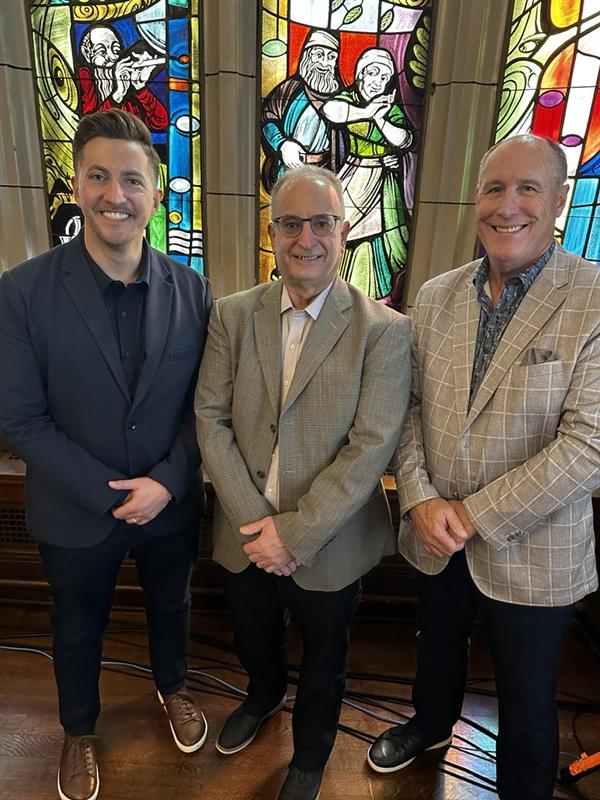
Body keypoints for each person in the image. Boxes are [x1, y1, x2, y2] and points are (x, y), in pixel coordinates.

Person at [367, 134, 600, 800]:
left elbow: (588, 446)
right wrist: (419, 499)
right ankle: (430, 724)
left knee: (526, 698)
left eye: (528, 188)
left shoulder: (592, 297)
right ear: (477, 199)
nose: (508, 206)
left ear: (559, 200)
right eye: (495, 188)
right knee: (435, 650)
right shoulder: (436, 295)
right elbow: (409, 409)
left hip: (534, 547)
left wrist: (471, 514)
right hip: (436, 531)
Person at [0, 109, 212, 800]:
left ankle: (173, 688)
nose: (114, 194)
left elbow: (204, 408)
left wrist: (167, 483)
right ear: (76, 183)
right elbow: (20, 420)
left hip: (168, 503)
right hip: (74, 507)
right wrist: (111, 493)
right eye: (98, 176)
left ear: (156, 193)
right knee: (76, 627)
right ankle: (78, 730)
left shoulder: (194, 290)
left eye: (131, 180)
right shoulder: (22, 291)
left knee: (171, 606)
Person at [195, 165, 411, 800]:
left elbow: (371, 448)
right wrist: (255, 523)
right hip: (244, 531)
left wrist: (292, 536)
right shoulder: (232, 316)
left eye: (322, 223)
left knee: (325, 655)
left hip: (331, 540)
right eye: (291, 223)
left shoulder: (384, 331)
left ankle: (311, 754)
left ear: (343, 232)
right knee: (252, 635)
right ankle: (262, 695)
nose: (306, 238)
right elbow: (210, 419)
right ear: (272, 233)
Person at [323, 48, 413, 301]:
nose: (377, 81)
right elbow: (331, 111)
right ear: (360, 74)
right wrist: (367, 113)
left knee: (376, 234)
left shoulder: (389, 107)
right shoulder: (349, 99)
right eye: (372, 73)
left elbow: (404, 139)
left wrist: (381, 119)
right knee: (342, 227)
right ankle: (332, 290)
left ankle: (370, 299)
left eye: (384, 77)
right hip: (355, 175)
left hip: (383, 183)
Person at [261, 29, 343, 192]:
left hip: (325, 171)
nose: (324, 63)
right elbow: (267, 119)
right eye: (319, 55)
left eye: (331, 57)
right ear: (307, 56)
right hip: (290, 168)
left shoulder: (341, 97)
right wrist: (283, 144)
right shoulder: (290, 89)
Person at [78, 25, 168, 131]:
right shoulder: (83, 77)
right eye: (102, 52)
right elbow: (90, 128)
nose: (112, 57)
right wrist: (118, 94)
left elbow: (161, 122)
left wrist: (140, 88)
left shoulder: (126, 78)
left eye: (116, 50)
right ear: (87, 53)